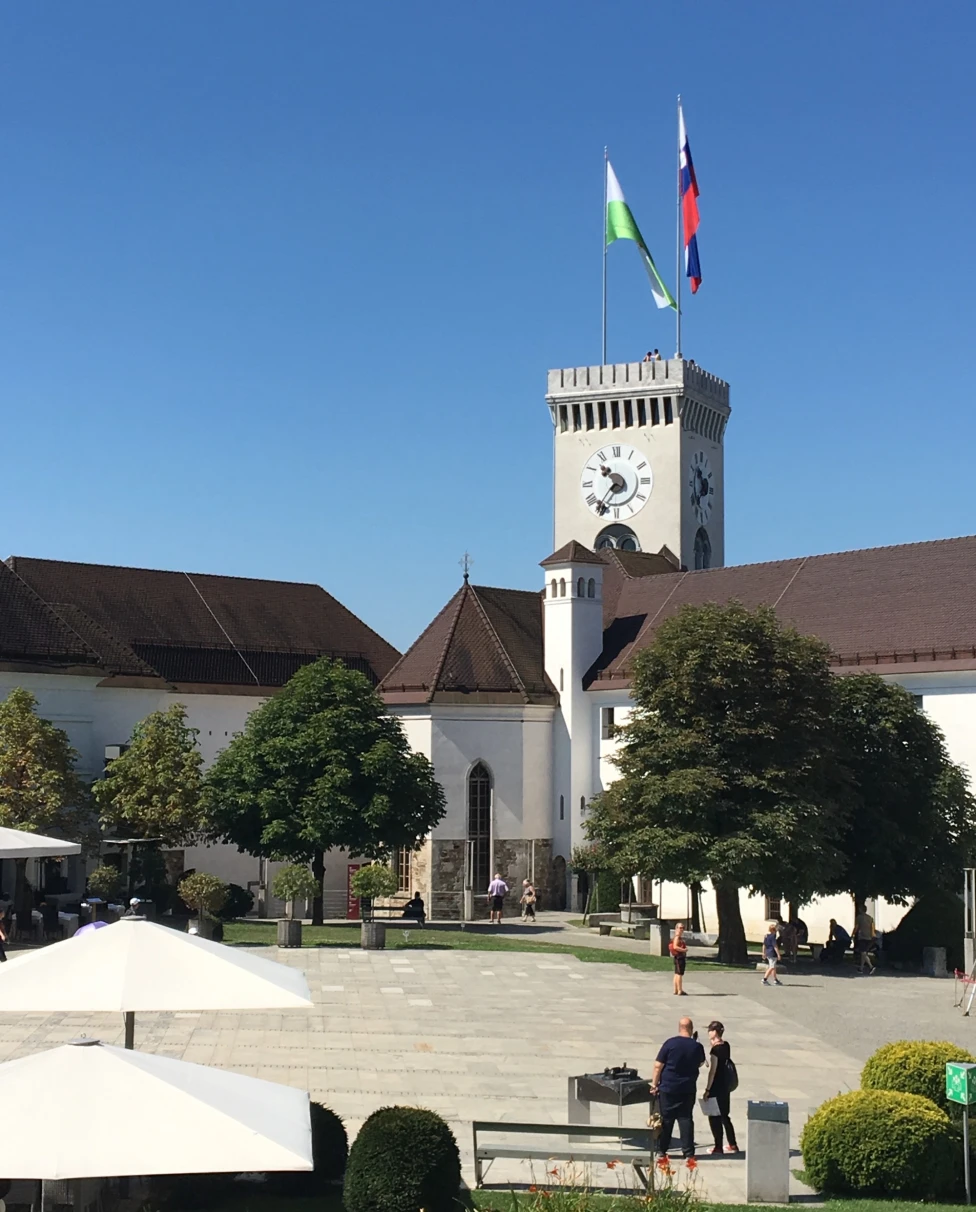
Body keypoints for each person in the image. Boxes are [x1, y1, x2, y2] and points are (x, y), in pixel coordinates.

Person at [650, 1016, 706, 1158]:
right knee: (685, 1119)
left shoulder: (670, 1043)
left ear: (679, 1028)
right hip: (687, 1088)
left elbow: (658, 1066)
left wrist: (654, 1084)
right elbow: (701, 1063)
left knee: (666, 1119)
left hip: (668, 1087)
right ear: (691, 1028)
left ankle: (662, 1150)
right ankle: (688, 1152)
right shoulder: (697, 1046)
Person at [703, 1020, 739, 1154]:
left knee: (714, 1117)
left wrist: (707, 1090)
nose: (708, 1033)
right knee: (725, 1116)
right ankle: (733, 1144)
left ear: (714, 1032)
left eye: (710, 1030)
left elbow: (713, 1071)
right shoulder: (726, 1045)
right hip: (725, 1086)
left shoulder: (715, 1050)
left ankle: (718, 1146)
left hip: (716, 1087)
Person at [853, 903, 876, 975]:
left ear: (860, 910)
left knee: (863, 953)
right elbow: (872, 928)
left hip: (862, 937)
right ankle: (861, 968)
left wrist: (853, 934)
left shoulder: (859, 917)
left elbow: (856, 927)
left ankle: (871, 966)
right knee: (864, 953)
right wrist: (873, 935)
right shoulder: (870, 918)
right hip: (869, 937)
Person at [669, 922, 688, 996]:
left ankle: (676, 989)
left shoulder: (678, 937)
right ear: (676, 928)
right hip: (679, 957)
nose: (682, 929)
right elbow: (675, 947)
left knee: (677, 973)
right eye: (680, 928)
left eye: (683, 928)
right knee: (679, 974)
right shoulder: (677, 937)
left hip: (678, 957)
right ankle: (679, 990)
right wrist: (684, 950)